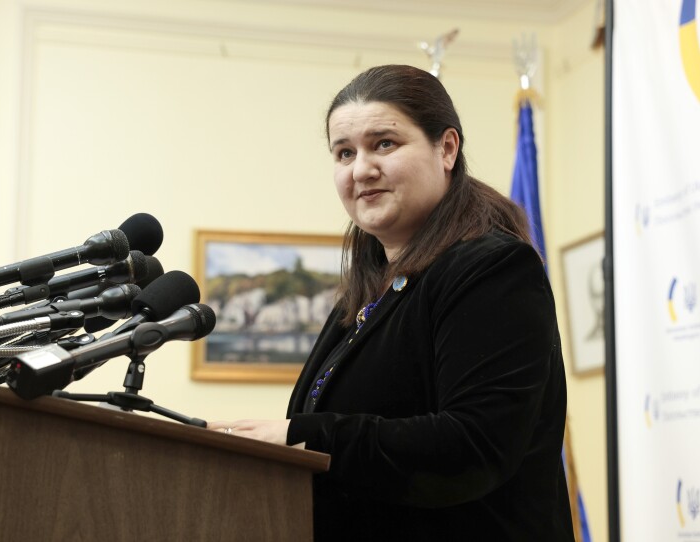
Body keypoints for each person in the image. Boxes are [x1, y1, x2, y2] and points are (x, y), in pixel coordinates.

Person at [209, 64, 574, 540]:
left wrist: (306, 436)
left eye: (384, 143)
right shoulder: (369, 288)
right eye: (344, 153)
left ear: (447, 149)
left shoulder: (494, 270)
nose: (361, 169)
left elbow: (473, 446)